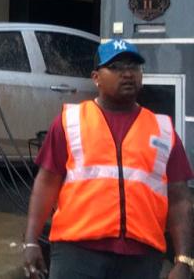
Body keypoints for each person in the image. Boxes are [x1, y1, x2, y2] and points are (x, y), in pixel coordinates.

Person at [23, 39, 193, 279]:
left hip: (141, 259)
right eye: (116, 67)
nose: (127, 74)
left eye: (134, 67)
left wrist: (184, 259)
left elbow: (179, 199)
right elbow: (46, 183)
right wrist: (31, 241)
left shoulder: (163, 129)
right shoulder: (70, 122)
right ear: (96, 77)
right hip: (77, 254)